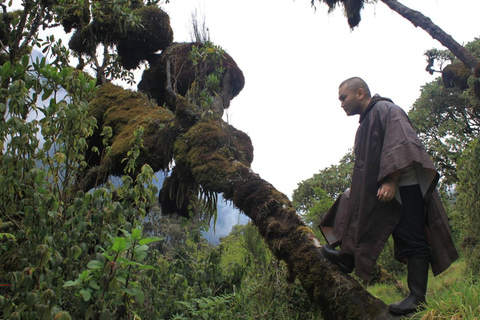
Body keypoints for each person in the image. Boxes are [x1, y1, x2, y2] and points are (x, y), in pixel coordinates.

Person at [319, 77, 458, 316]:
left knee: (412, 237)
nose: (341, 103)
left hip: (404, 186)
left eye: (344, 97)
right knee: (352, 201)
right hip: (382, 189)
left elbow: (400, 143)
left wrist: (391, 179)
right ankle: (348, 257)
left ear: (360, 93)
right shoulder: (366, 121)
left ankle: (417, 297)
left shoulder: (386, 109)